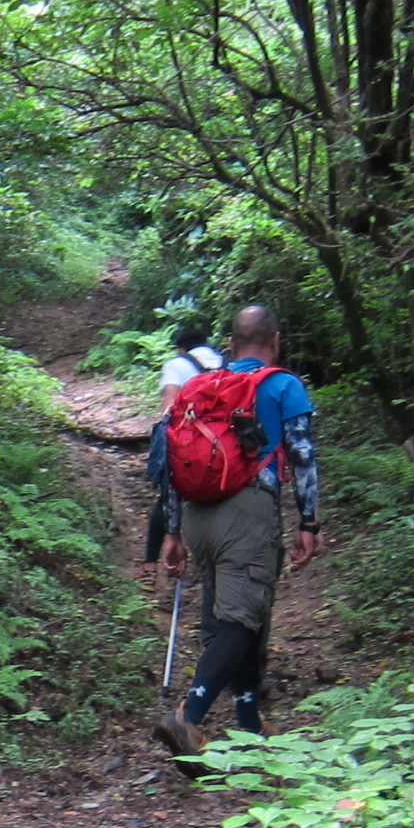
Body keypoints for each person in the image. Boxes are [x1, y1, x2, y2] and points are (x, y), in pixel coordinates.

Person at [152, 304, 321, 754]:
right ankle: (189, 716)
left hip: (198, 513)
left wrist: (173, 531)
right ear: (276, 341)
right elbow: (302, 456)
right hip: (248, 512)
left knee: (239, 616)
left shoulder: (199, 387)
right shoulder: (284, 384)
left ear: (230, 344)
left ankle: (248, 722)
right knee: (242, 620)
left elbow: (171, 457)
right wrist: (308, 521)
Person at [143, 327, 224, 578]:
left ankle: (149, 566)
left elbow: (169, 410)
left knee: (168, 497)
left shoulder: (177, 364)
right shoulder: (226, 361)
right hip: (222, 447)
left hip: (189, 443)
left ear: (181, 348)